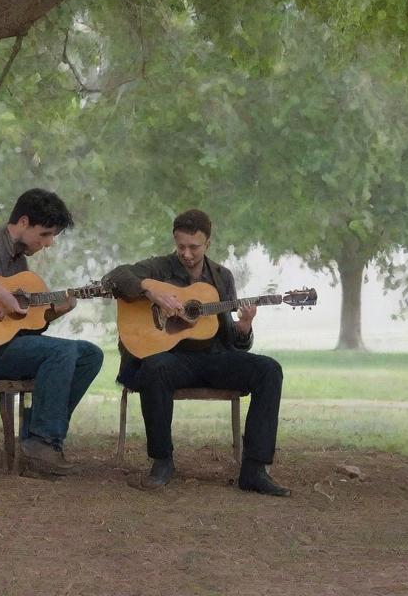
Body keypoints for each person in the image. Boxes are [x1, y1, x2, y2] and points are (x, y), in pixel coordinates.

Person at [103, 209, 289, 495]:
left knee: (269, 370)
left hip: (213, 358)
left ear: (208, 244)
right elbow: (114, 277)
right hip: (172, 360)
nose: (187, 253)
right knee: (155, 367)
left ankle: (254, 469)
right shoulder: (159, 268)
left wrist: (243, 328)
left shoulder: (222, 277)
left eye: (194, 247)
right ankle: (162, 461)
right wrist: (149, 292)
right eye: (181, 246)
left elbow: (231, 339)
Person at [0, 188, 104, 475]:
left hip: (4, 346)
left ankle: (36, 440)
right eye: (45, 234)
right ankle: (42, 442)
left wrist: (53, 312)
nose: (48, 243)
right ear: (23, 222)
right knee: (62, 351)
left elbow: (23, 324)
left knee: (90, 354)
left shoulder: (17, 260)